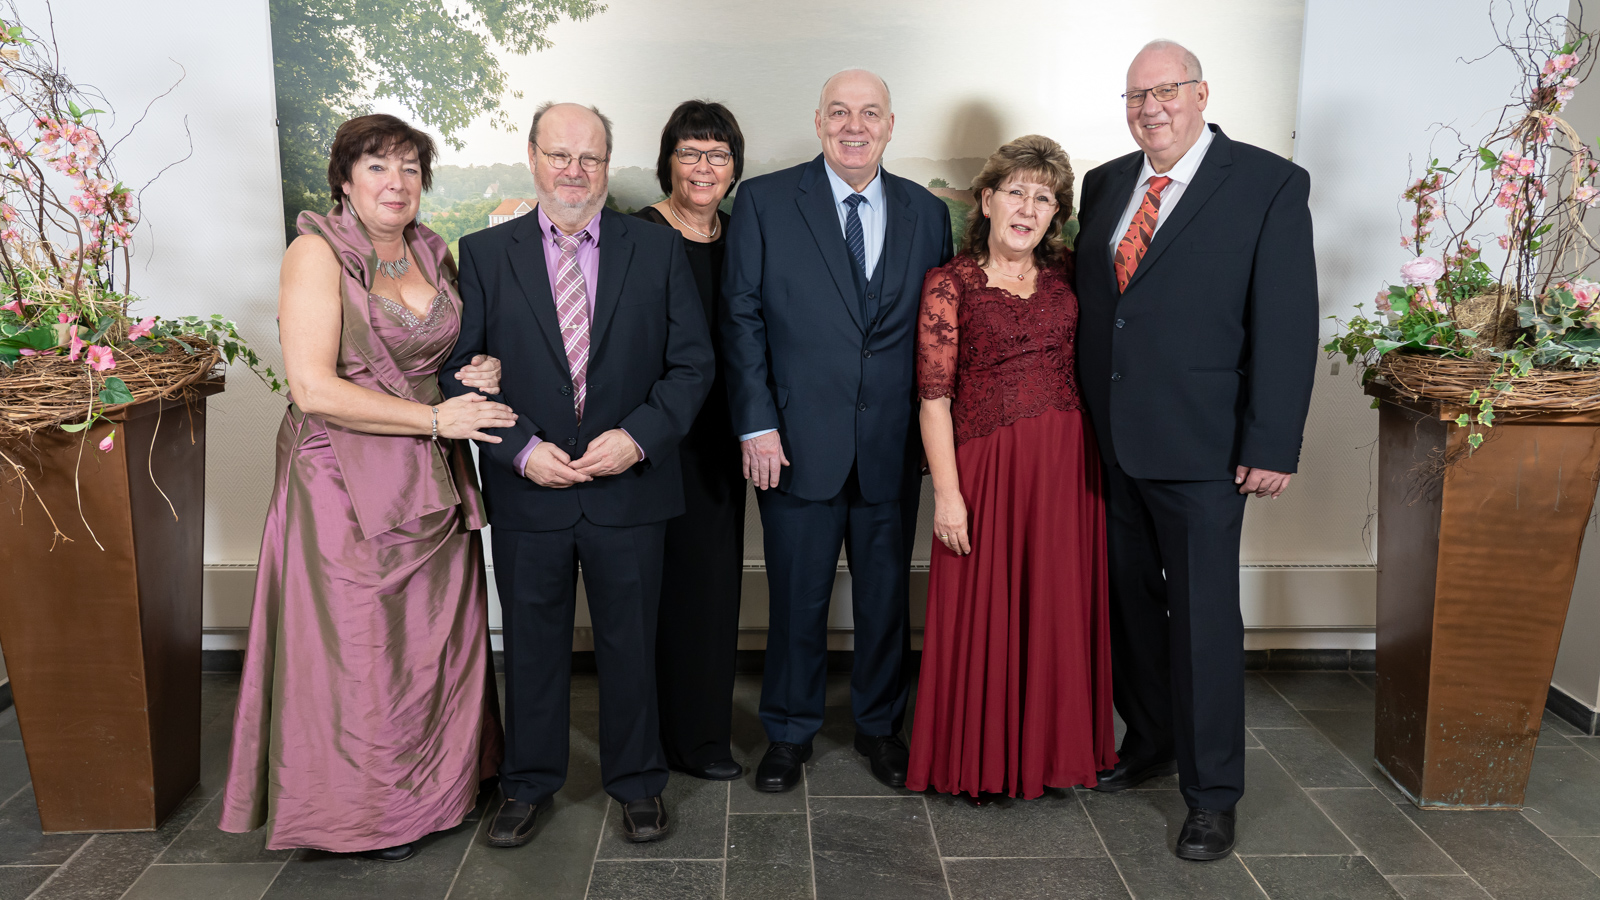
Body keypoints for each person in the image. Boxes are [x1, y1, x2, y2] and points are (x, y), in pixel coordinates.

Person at [219, 114, 510, 862]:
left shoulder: (431, 250)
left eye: (410, 167)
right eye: (378, 166)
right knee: (362, 647)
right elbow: (313, 389)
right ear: (344, 180)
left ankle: (442, 790)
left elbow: (437, 358)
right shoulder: (314, 254)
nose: (396, 182)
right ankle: (364, 813)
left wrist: (474, 371)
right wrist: (435, 418)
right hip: (340, 478)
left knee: (432, 638)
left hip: (430, 470)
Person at [440, 101, 714, 847]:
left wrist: (638, 439)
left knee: (633, 646)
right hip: (529, 489)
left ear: (607, 166)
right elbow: (459, 373)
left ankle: (639, 782)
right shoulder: (484, 254)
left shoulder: (656, 250)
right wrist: (521, 449)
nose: (574, 170)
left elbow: (693, 366)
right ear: (533, 158)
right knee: (531, 647)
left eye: (589, 157)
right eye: (559, 155)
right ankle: (528, 784)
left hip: (630, 488)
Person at [1074, 40, 1317, 860]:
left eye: (1167, 90)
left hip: (1207, 450)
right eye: (1136, 95)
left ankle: (1213, 795)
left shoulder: (1267, 184)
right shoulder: (1105, 183)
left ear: (1201, 94)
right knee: (1131, 608)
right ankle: (1151, 739)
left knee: (1204, 625)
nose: (1151, 108)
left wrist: (1272, 442)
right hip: (1112, 443)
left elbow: (1287, 321)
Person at [722, 69, 953, 793]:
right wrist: (756, 423)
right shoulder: (764, 202)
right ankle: (789, 732)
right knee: (797, 599)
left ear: (891, 125)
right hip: (793, 443)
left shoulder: (927, 213)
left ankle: (881, 728)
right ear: (818, 120)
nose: (855, 126)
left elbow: (939, 336)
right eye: (841, 112)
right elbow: (741, 317)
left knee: (886, 600)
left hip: (892, 444)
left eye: (870, 113)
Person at [907, 135, 1116, 802]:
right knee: (986, 610)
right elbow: (933, 401)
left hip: (1069, 471)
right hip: (987, 472)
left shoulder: (1069, 276)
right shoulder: (949, 283)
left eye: (1044, 198)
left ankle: (1052, 754)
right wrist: (948, 497)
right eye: (1016, 193)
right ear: (987, 200)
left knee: (1057, 606)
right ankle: (985, 761)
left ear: (1057, 213)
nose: (1028, 208)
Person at [633, 100, 747, 782]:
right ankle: (647, 740)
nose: (704, 167)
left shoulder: (743, 237)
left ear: (734, 166)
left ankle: (703, 738)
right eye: (690, 152)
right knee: (649, 591)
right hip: (652, 437)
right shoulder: (636, 235)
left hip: (722, 442)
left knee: (710, 590)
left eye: (718, 154)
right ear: (668, 161)